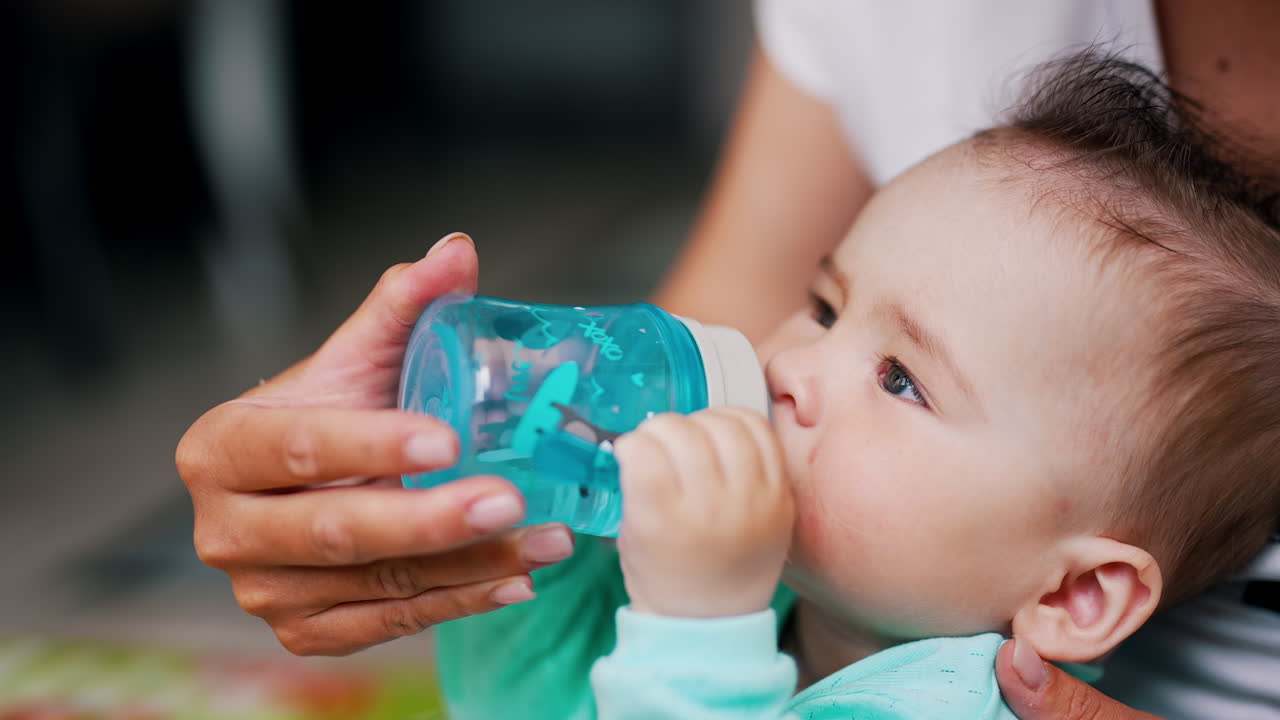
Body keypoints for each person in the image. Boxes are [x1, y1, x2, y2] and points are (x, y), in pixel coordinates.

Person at [175, 2, 1280, 718]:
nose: (793, 365)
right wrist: (497, 479)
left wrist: (697, 628)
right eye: (822, 302)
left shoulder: (951, 702)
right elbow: (514, 687)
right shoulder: (784, 597)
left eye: (900, 379)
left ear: (1075, 595)